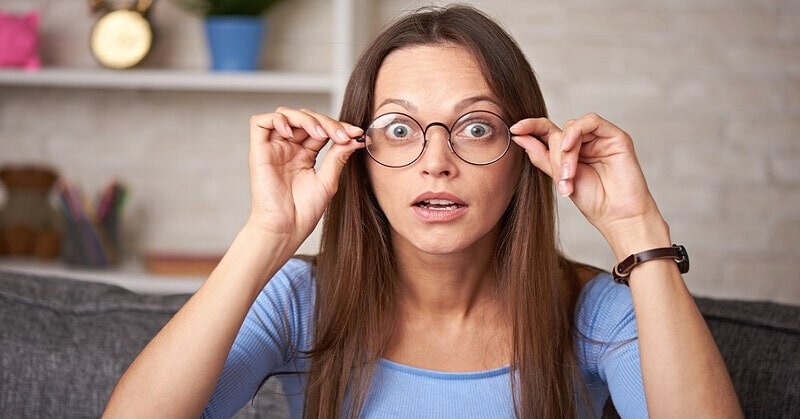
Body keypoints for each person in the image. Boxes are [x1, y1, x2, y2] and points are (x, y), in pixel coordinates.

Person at [104, 5, 742, 418]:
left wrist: (637, 229)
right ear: (357, 152)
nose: (437, 162)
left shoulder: (596, 313)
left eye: (475, 128)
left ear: (526, 153)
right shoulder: (300, 301)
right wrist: (267, 233)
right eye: (401, 129)